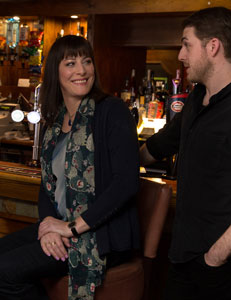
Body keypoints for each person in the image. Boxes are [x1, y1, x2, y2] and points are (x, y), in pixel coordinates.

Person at [140, 7, 231, 300]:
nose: (180, 54)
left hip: (225, 266)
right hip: (187, 254)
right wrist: (116, 163)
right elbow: (161, 144)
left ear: (213, 46)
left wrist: (215, 257)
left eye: (186, 44)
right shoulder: (197, 98)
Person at [0, 35, 140, 300]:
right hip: (65, 228)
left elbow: (126, 183)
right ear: (56, 71)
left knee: (5, 272)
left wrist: (71, 228)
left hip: (101, 235)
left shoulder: (112, 111)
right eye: (71, 63)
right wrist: (47, 228)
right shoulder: (56, 123)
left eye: (87, 62)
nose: (82, 70)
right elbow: (47, 185)